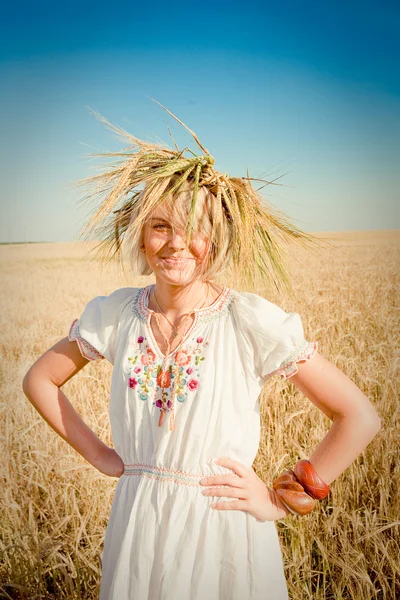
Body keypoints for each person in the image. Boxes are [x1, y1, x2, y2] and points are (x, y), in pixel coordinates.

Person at [22, 102, 382, 599]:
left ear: (215, 240)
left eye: (195, 228)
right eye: (160, 226)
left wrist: (282, 501)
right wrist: (102, 456)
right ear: (142, 238)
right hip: (138, 524)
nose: (176, 244)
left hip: (224, 529)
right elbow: (39, 380)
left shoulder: (248, 320)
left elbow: (359, 416)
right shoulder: (114, 315)